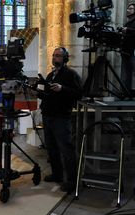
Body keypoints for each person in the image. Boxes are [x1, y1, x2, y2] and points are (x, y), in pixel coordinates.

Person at [36, 47, 82, 193]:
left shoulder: (70, 74)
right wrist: (37, 90)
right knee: (51, 148)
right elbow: (46, 95)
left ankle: (71, 181)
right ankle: (57, 174)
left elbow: (79, 94)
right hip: (48, 115)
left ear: (65, 58)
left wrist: (62, 89)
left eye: (58, 56)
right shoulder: (50, 75)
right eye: (54, 55)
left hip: (61, 117)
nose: (55, 58)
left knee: (66, 149)